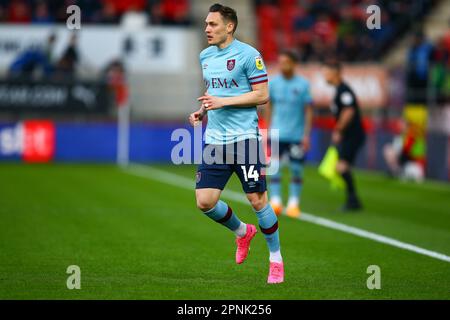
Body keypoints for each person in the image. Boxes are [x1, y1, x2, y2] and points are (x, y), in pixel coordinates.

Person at [188, 3, 284, 284]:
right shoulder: (205, 56)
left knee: (257, 200)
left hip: (245, 140)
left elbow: (262, 95)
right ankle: (243, 232)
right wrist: (204, 110)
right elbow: (213, 91)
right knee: (204, 202)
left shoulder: (249, 55)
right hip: (215, 140)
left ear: (229, 27)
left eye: (213, 24)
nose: (207, 29)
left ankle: (276, 259)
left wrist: (223, 102)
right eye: (206, 24)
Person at [265, 50, 313, 218]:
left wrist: (306, 134)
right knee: (274, 168)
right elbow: (269, 107)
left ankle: (293, 203)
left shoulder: (303, 85)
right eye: (280, 62)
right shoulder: (274, 83)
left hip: (296, 135)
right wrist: (267, 130)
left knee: (296, 169)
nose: (282, 65)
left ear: (294, 64)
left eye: (286, 62)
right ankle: (276, 201)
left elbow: (308, 111)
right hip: (277, 133)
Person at [323, 60, 365, 212]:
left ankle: (353, 200)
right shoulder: (339, 90)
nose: (325, 76)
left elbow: (349, 111)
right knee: (342, 167)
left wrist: (338, 130)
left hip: (353, 135)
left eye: (327, 72)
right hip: (349, 135)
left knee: (341, 167)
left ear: (336, 73)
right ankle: (353, 199)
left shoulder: (344, 90)